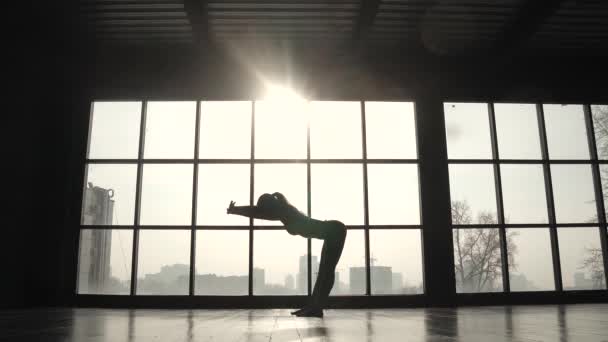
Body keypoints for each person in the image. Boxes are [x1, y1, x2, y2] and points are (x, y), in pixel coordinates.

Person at [227, 192, 346, 318]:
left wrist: (235, 210)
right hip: (332, 232)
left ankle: (316, 308)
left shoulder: (284, 211)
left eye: (264, 209)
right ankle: (313, 307)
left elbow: (256, 212)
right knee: (323, 272)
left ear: (270, 207)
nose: (265, 213)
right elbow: (258, 211)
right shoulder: (284, 211)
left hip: (335, 231)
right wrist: (235, 210)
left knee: (326, 272)